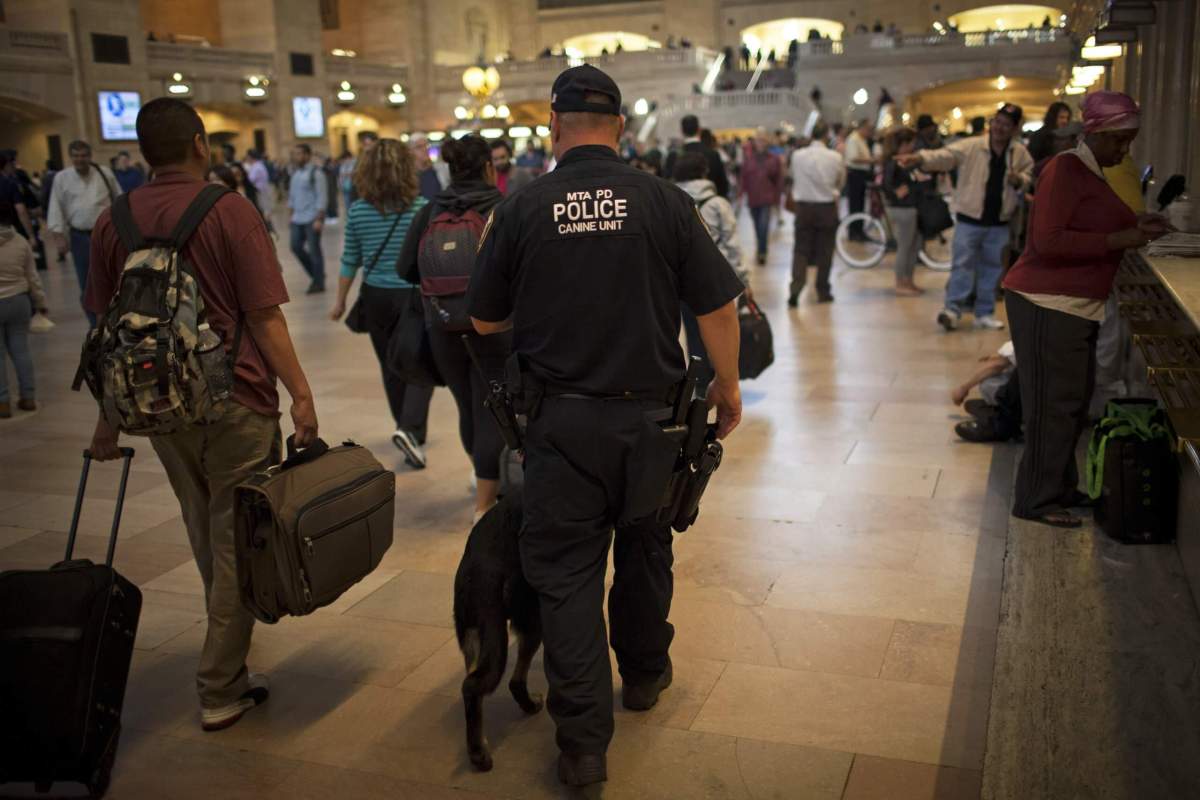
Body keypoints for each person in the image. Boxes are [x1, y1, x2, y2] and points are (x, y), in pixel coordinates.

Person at [466, 64, 744, 787]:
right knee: (647, 548)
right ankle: (645, 676)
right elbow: (717, 304)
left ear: (554, 128)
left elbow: (484, 317)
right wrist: (729, 383)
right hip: (653, 425)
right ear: (620, 128)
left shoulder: (522, 208)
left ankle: (585, 746)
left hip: (560, 427)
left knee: (565, 578)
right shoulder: (663, 201)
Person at [86, 97, 319, 730]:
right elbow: (266, 316)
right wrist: (300, 392)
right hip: (236, 399)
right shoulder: (229, 209)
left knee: (206, 529)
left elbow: (104, 327)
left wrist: (108, 416)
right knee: (236, 541)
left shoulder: (115, 220)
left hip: (157, 405)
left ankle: (230, 658)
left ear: (142, 151)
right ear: (199, 143)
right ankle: (219, 687)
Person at [1000, 91, 1169, 527]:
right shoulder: (1065, 170)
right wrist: (1118, 240)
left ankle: (1057, 487)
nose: (1123, 149)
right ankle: (1034, 500)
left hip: (1074, 305)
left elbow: (1093, 222)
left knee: (1072, 403)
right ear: (1094, 133)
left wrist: (1137, 226)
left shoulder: (1094, 172)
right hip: (1045, 302)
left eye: (1129, 141)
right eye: (1118, 140)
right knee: (1051, 406)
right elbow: (1048, 242)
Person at [397, 135, 507, 513]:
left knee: (467, 407)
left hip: (442, 325)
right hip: (495, 327)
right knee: (493, 408)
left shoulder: (430, 210)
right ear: (488, 167)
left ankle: (482, 476)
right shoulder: (504, 208)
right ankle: (485, 503)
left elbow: (404, 268)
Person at [329, 139, 432, 467]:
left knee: (390, 365)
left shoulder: (358, 211)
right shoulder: (420, 208)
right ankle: (410, 429)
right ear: (406, 168)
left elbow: (350, 261)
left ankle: (405, 426)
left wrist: (340, 301)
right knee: (420, 362)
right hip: (411, 296)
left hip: (375, 298)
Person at [897, 104, 1034, 331]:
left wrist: (1019, 180)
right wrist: (920, 158)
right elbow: (945, 156)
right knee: (962, 265)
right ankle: (952, 309)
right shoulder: (972, 146)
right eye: (997, 122)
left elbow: (1029, 175)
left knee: (992, 268)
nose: (999, 128)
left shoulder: (1019, 153)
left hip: (999, 222)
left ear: (1015, 128)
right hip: (970, 219)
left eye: (1006, 125)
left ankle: (984, 313)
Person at [673, 150, 752, 391]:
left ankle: (699, 384)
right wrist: (744, 279)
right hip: (717, 279)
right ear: (704, 173)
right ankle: (723, 380)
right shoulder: (718, 203)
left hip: (682, 278)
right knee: (720, 330)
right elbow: (732, 243)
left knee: (693, 335)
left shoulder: (671, 200)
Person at [46, 140, 121, 325]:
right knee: (86, 283)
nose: (80, 159)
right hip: (79, 236)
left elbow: (119, 200)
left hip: (105, 235)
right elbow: (56, 206)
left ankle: (115, 319)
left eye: (83, 156)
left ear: (90, 156)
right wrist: (58, 235)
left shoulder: (104, 173)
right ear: (71, 157)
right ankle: (94, 324)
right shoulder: (62, 178)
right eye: (76, 156)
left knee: (112, 277)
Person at [787, 120, 845, 305]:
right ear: (826, 136)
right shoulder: (835, 157)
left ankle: (796, 286)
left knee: (801, 248)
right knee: (825, 250)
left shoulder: (797, 155)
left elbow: (792, 177)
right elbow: (840, 182)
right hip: (826, 207)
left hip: (803, 207)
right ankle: (822, 290)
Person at [0, 199, 47, 417]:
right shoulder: (20, 242)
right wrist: (41, 303)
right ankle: (28, 397)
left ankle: (3, 402)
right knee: (21, 350)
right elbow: (33, 277)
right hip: (19, 301)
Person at [881, 127, 924, 296]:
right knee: (905, 247)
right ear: (905, 143)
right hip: (902, 209)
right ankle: (900, 282)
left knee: (912, 247)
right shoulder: (894, 162)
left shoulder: (902, 161)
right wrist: (896, 193)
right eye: (912, 142)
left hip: (909, 208)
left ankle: (908, 281)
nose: (914, 146)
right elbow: (886, 184)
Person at [287, 143, 328, 294]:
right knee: (295, 247)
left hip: (312, 217)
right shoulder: (295, 174)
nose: (296, 157)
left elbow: (322, 197)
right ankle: (317, 274)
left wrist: (319, 218)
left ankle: (318, 282)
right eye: (295, 154)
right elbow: (292, 196)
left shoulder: (316, 174)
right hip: (297, 218)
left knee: (314, 250)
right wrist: (290, 215)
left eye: (299, 154)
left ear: (307, 155)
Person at [739, 132, 784, 265]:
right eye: (758, 141)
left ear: (767, 143)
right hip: (753, 198)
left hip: (767, 197)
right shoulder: (749, 159)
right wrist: (741, 193)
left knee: (763, 225)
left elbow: (779, 179)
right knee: (757, 225)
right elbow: (744, 178)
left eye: (763, 141)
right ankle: (760, 245)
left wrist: (777, 197)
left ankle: (762, 252)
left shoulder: (774, 159)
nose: (760, 143)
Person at [664, 114, 730, 198]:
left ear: (681, 131)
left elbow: (666, 186)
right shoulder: (713, 154)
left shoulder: (673, 156)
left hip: (679, 207)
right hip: (707, 205)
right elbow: (722, 186)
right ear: (699, 130)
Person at [843, 120, 875, 239]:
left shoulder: (862, 139)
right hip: (855, 174)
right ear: (862, 127)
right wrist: (871, 160)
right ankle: (854, 232)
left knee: (860, 204)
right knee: (855, 204)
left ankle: (859, 231)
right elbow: (853, 158)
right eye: (868, 129)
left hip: (861, 174)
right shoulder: (853, 139)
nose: (869, 132)